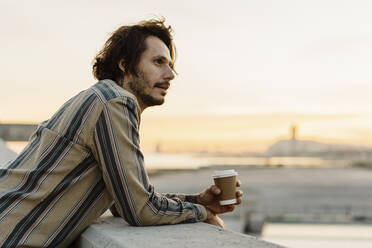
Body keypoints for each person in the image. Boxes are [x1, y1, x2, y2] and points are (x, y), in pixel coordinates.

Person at [0, 19, 242, 247]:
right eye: (158, 62)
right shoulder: (115, 103)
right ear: (125, 65)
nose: (170, 75)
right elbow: (140, 209)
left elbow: (124, 198)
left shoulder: (99, 98)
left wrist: (197, 200)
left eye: (170, 65)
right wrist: (204, 212)